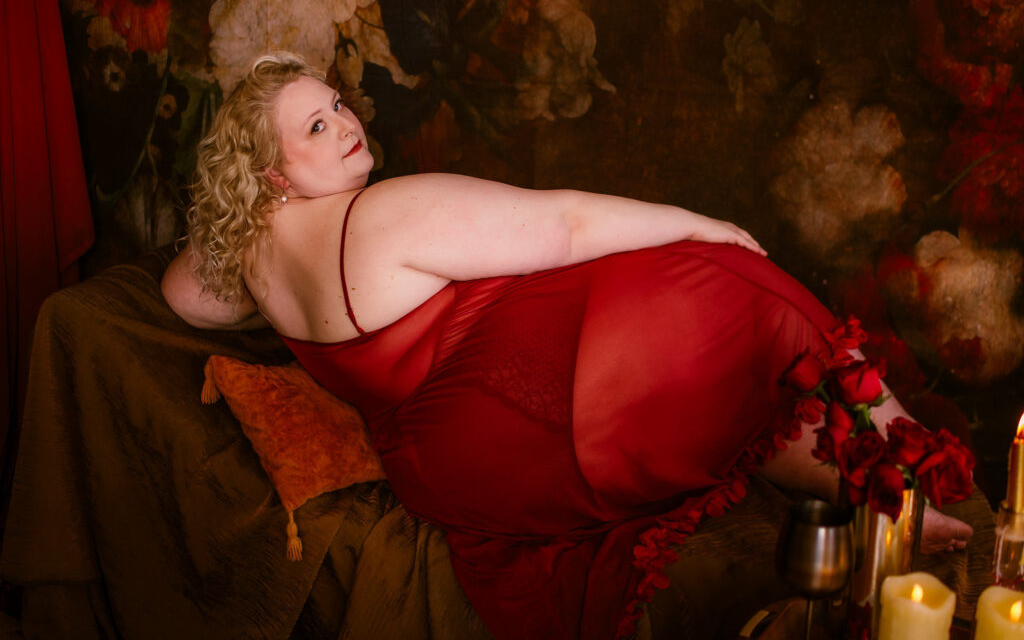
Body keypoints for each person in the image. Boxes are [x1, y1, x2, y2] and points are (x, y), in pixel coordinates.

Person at [162, 52, 972, 640]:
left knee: (687, 358)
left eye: (336, 102)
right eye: (314, 124)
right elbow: (567, 222)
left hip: (441, 468)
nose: (345, 122)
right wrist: (698, 225)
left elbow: (185, 295)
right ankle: (905, 464)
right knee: (731, 286)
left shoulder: (250, 250)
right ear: (271, 171)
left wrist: (242, 204)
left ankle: (883, 491)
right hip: (522, 430)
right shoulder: (380, 214)